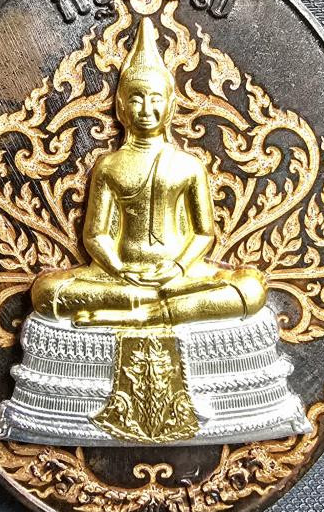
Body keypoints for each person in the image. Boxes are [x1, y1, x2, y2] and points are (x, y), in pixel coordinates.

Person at [32, 17, 267, 328]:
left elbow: (203, 234)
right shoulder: (109, 166)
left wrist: (179, 267)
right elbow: (95, 235)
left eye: (155, 99)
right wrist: (118, 268)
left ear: (169, 105)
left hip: (180, 275)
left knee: (251, 288)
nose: (146, 109)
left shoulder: (188, 165)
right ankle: (158, 305)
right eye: (137, 99)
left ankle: (150, 312)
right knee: (45, 292)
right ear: (121, 106)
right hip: (121, 277)